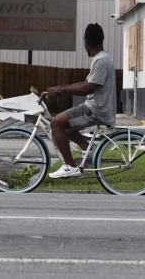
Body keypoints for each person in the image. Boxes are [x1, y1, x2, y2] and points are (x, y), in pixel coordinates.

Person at [46, 23, 117, 179]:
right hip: (97, 107)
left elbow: (88, 88)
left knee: (56, 123)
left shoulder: (100, 61)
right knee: (66, 126)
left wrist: (62, 90)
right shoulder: (104, 58)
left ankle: (70, 167)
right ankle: (87, 148)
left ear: (86, 42)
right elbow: (84, 83)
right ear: (101, 39)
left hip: (96, 109)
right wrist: (60, 87)